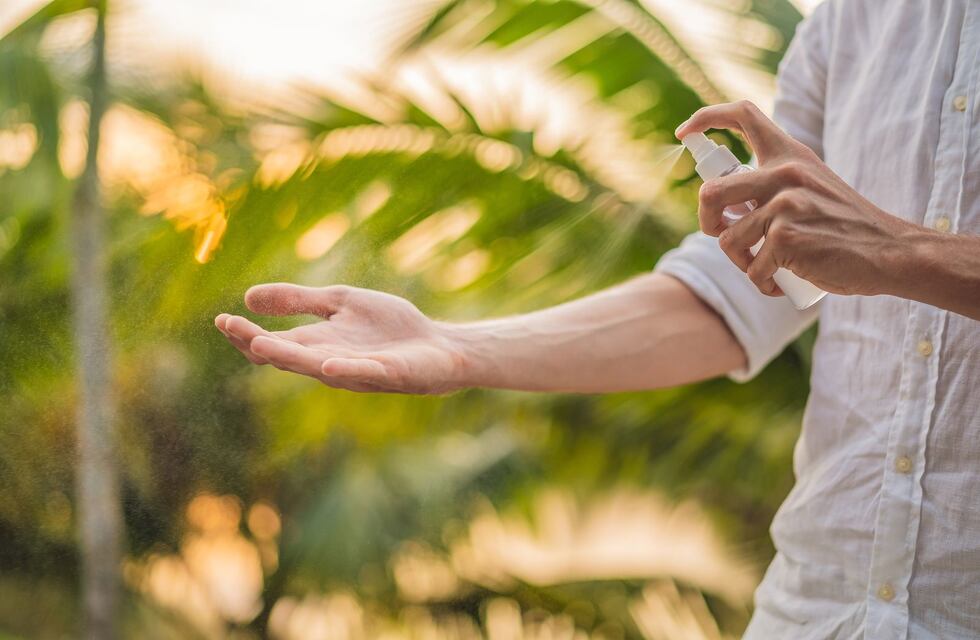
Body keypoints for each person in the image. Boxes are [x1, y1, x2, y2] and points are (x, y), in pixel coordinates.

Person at [215, 2, 980, 637]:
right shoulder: (853, 20)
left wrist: (899, 251)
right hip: (815, 613)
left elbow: (865, 251)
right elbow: (740, 289)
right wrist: (460, 346)